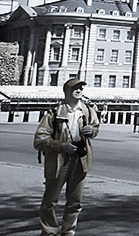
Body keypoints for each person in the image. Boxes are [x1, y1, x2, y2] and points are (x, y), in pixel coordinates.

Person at [34, 78, 101, 236]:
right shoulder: (55, 112)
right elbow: (39, 141)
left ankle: (68, 232)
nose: (79, 91)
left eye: (81, 88)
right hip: (59, 161)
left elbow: (96, 128)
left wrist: (91, 130)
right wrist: (61, 146)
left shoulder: (87, 110)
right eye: (75, 88)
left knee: (75, 202)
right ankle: (49, 232)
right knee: (50, 201)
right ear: (66, 91)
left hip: (80, 160)